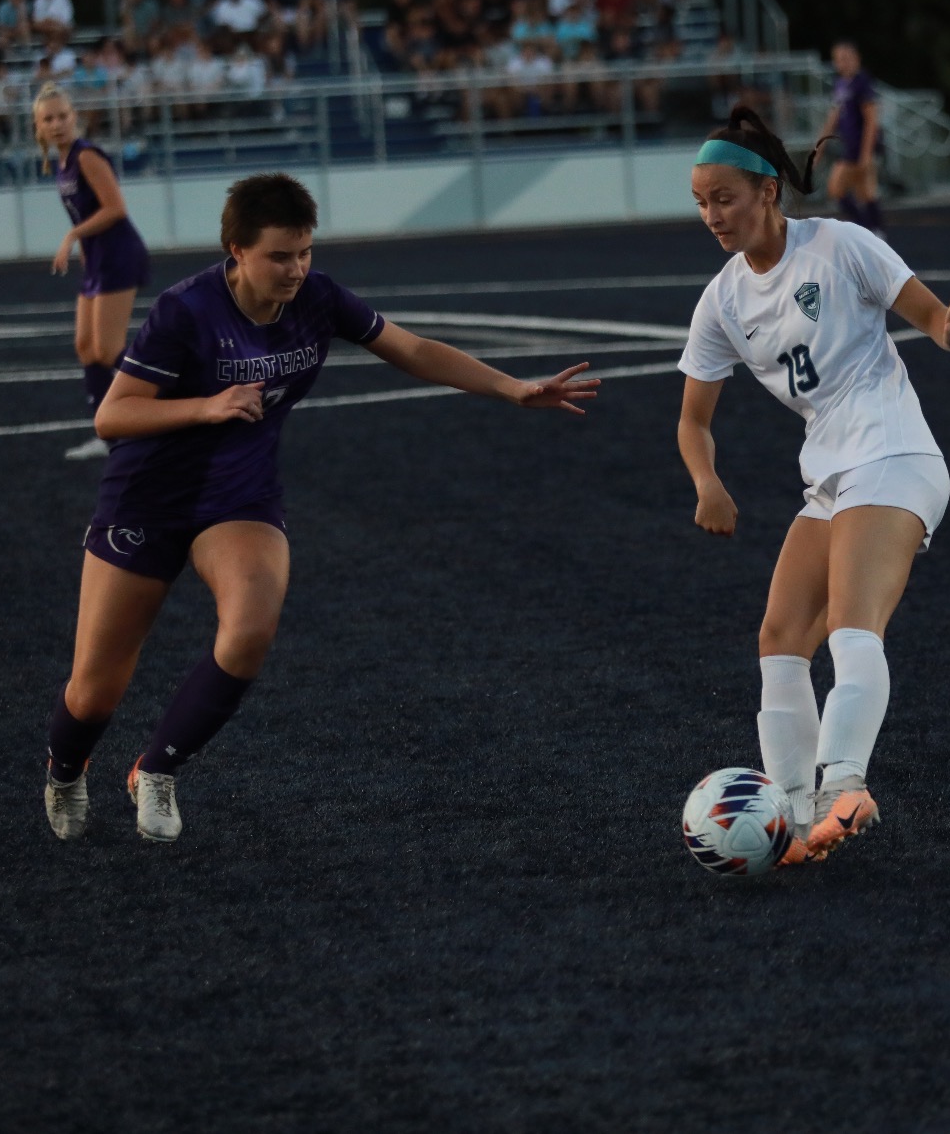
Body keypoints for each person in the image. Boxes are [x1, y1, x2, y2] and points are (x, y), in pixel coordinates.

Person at [40, 172, 598, 843]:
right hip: (147, 498)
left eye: (304, 251)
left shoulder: (319, 298)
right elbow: (112, 415)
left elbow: (412, 348)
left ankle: (157, 768)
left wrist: (512, 387)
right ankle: (67, 767)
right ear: (236, 250)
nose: (297, 268)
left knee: (249, 628)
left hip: (238, 498)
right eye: (280, 255)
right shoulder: (184, 309)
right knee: (93, 691)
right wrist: (208, 405)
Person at [677, 106, 950, 863]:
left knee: (852, 625)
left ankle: (847, 783)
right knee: (780, 638)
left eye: (724, 198)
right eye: (701, 202)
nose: (713, 215)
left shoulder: (840, 246)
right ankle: (788, 808)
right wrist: (706, 481)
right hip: (830, 474)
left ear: (768, 192)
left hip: (894, 454)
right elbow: (693, 418)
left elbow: (932, 320)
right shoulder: (721, 299)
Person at [33, 84, 152, 462]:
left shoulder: (86, 156)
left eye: (63, 116)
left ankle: (166, 399)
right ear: (38, 127)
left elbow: (116, 207)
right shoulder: (61, 163)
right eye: (48, 119)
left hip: (119, 254)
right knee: (85, 346)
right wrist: (83, 246)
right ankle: (108, 434)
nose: (57, 124)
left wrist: (73, 235)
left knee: (108, 349)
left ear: (75, 117)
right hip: (99, 258)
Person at [816, 41, 884, 230]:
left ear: (857, 59)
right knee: (865, 192)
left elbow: (871, 119)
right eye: (838, 59)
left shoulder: (862, 82)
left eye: (846, 58)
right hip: (850, 143)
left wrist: (866, 153)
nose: (842, 63)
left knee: (838, 188)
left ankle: (867, 231)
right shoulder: (840, 84)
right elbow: (833, 117)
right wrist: (820, 147)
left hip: (860, 145)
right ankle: (873, 232)